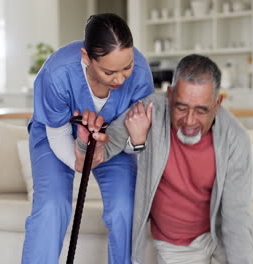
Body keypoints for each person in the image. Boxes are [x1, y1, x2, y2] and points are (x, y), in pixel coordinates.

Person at [76, 54, 253, 264]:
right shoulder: (149, 111)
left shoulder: (235, 138)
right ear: (170, 95)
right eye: (181, 107)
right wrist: (88, 141)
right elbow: (100, 151)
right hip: (179, 248)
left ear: (217, 103)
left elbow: (236, 217)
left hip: (220, 239)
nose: (189, 121)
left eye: (201, 111)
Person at [22, 13, 154, 264]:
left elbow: (136, 138)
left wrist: (122, 143)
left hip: (111, 137)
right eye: (109, 71)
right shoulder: (58, 72)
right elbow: (58, 132)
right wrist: (80, 158)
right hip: (56, 133)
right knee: (52, 206)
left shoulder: (140, 73)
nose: (120, 79)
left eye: (127, 67)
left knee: (125, 207)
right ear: (86, 58)